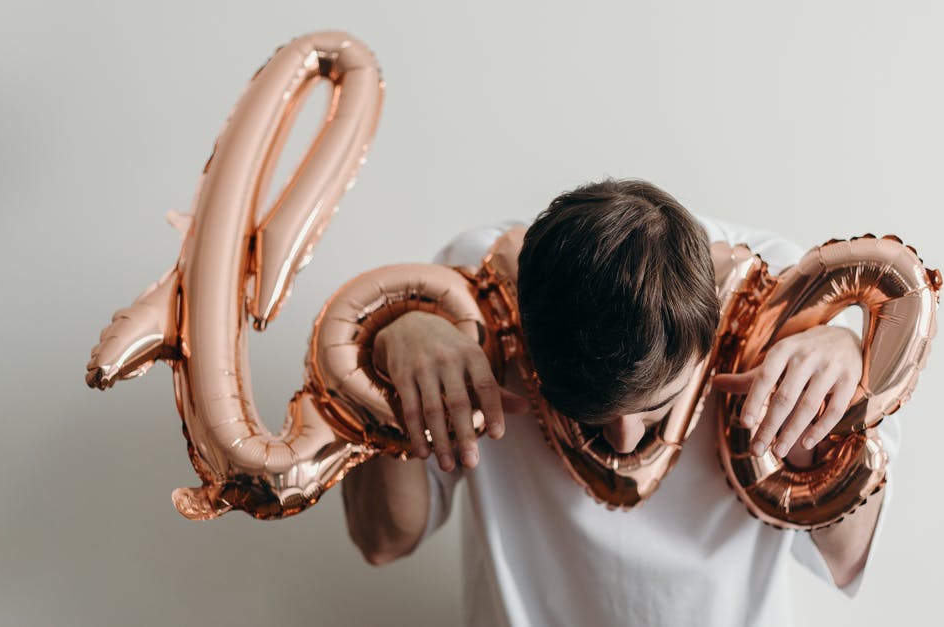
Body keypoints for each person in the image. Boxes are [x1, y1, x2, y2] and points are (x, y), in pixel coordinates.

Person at [340, 178, 901, 626]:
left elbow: (847, 555)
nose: (624, 442)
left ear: (714, 331)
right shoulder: (476, 284)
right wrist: (394, 343)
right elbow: (384, 541)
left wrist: (839, 394)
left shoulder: (783, 295)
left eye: (657, 408)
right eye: (587, 415)